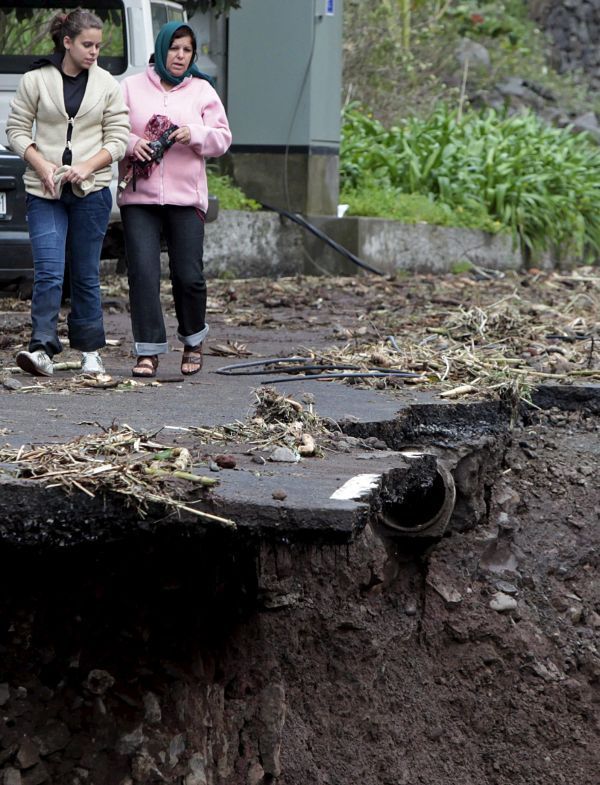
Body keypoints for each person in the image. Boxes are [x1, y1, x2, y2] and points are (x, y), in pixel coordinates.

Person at [6, 8, 129, 377]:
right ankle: (42, 348)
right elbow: (16, 130)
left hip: (90, 192)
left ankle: (91, 349)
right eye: (87, 45)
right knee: (48, 270)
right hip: (44, 192)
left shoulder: (107, 84)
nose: (94, 51)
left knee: (86, 273)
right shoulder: (36, 79)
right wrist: (42, 166)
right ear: (67, 42)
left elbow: (119, 137)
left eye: (98, 45)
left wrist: (88, 167)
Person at [118, 21, 232, 377]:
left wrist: (194, 134)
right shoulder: (131, 87)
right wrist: (132, 143)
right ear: (161, 49)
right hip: (140, 197)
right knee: (143, 274)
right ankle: (148, 351)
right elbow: (112, 129)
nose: (180, 56)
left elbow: (223, 139)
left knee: (188, 275)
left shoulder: (202, 91)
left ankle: (193, 341)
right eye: (174, 48)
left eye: (187, 50)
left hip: (186, 199)